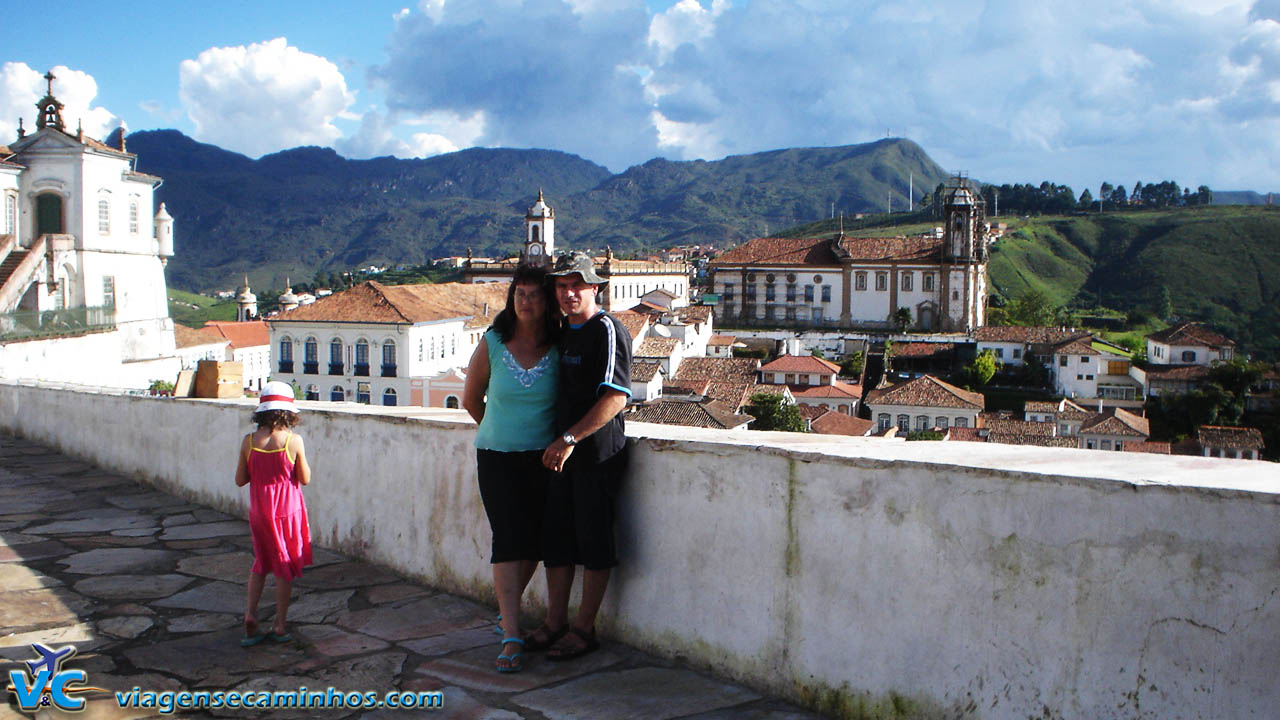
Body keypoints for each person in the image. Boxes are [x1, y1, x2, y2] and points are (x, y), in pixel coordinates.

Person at [462, 263, 561, 673]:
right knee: (508, 540)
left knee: (536, 543)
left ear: (547, 300)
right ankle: (512, 636)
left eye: (534, 294)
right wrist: (500, 431)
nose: (526, 301)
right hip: (497, 457)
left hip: (543, 458)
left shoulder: (560, 347)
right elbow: (471, 400)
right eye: (519, 293)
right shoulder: (492, 343)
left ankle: (508, 615)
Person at [533, 252, 632, 661]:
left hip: (595, 456)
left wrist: (570, 438)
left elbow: (616, 397)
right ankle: (554, 622)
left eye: (577, 285)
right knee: (556, 543)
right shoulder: (562, 332)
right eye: (561, 285)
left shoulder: (607, 330)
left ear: (594, 288)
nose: (569, 292)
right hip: (561, 457)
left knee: (594, 543)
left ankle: (583, 628)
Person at [235, 380, 313, 646]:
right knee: (284, 568)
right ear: (289, 413)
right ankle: (280, 624)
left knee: (260, 564)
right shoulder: (293, 441)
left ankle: (250, 614)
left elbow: (240, 479)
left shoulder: (249, 441)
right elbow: (304, 478)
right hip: (286, 512)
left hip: (259, 510)